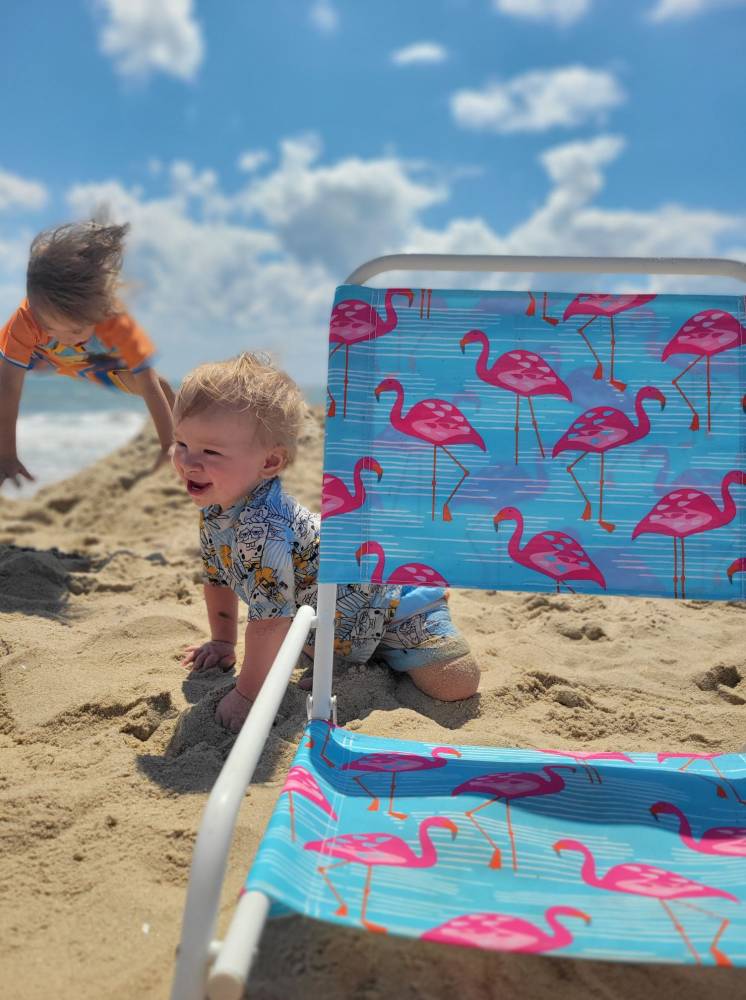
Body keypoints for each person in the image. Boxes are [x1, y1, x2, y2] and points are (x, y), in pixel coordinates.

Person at [172, 352, 480, 733]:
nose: (187, 461)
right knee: (303, 634)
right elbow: (217, 575)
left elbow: (271, 623)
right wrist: (222, 642)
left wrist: (249, 695)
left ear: (269, 463)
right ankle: (360, 659)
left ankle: (394, 648)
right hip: (332, 623)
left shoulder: (265, 529)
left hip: (392, 602)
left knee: (456, 683)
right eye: (181, 443)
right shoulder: (216, 508)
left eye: (211, 451)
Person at [0, 221, 175, 489]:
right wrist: (7, 455)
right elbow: (9, 386)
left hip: (91, 362)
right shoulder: (26, 321)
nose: (62, 336)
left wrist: (168, 445)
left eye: (75, 329)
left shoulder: (117, 323)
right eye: (49, 326)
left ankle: (185, 437)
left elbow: (149, 384)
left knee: (160, 387)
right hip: (41, 356)